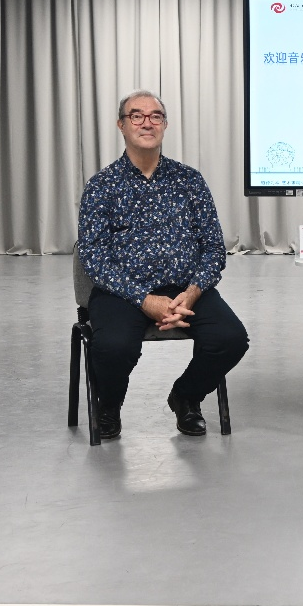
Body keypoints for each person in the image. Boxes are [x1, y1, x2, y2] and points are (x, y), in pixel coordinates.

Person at [77, 90, 249, 440]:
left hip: (185, 290)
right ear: (121, 125)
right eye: (136, 116)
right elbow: (93, 256)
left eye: (155, 116)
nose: (147, 123)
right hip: (121, 292)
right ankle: (108, 406)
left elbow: (213, 247)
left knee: (230, 339)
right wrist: (144, 300)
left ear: (165, 125)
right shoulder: (101, 186)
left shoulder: (190, 181)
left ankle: (186, 396)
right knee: (113, 347)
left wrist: (193, 292)